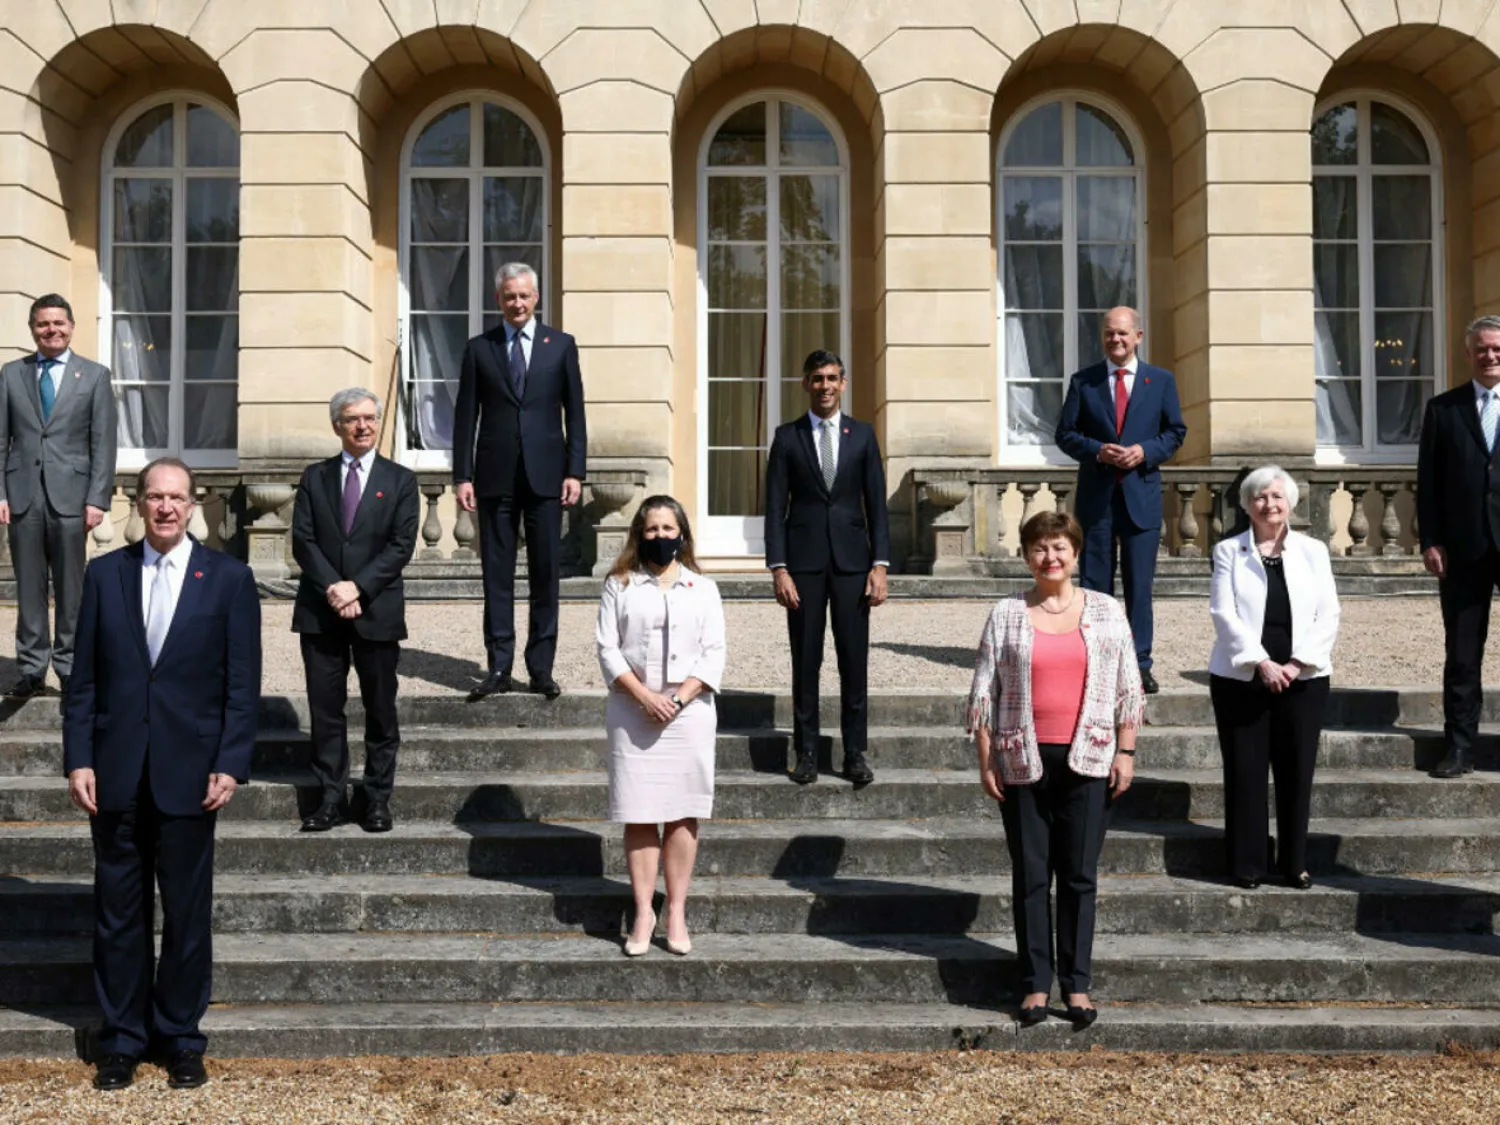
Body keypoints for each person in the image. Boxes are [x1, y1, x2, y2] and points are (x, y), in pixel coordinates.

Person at [62, 458, 261, 1091]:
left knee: (184, 913)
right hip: (116, 770)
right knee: (118, 915)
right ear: (139, 504)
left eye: (176, 497)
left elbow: (241, 685)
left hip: (191, 774)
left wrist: (231, 762)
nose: (166, 508)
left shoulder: (228, 579)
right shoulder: (104, 576)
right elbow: (83, 681)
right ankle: (121, 1038)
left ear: (193, 503)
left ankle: (179, 1037)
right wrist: (79, 757)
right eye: (154, 497)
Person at [967, 510, 1141, 1028]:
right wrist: (986, 760)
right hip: (1022, 758)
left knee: (1080, 877)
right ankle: (1035, 985)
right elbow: (983, 692)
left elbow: (1128, 687)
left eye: (1060, 547)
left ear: (1075, 553)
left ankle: (1077, 985)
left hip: (1089, 757)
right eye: (1040, 548)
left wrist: (1126, 752)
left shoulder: (1107, 611)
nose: (1051, 557)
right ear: (1027, 556)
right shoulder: (1006, 613)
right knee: (1031, 878)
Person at [596, 495, 725, 957]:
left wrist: (678, 696)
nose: (660, 537)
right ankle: (643, 910)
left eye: (669, 529)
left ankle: (676, 910)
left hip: (688, 713)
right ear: (638, 534)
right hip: (633, 711)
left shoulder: (703, 588)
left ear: (682, 534)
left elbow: (714, 652)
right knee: (638, 810)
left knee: (682, 812)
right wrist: (646, 696)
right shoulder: (619, 584)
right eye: (652, 529)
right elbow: (607, 649)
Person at [453, 262, 587, 701]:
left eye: (524, 295)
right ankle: (498, 666)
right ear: (498, 300)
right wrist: (461, 475)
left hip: (547, 476)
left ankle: (541, 668)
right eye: (509, 296)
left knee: (546, 575)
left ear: (537, 298)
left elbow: (576, 413)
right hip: (493, 478)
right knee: (497, 576)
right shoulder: (479, 348)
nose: (517, 303)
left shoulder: (561, 346)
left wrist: (575, 470)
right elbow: (465, 417)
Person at [290, 389, 420, 833]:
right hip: (320, 612)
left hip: (376, 610)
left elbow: (401, 545)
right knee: (326, 711)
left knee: (381, 709)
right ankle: (331, 798)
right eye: (352, 419)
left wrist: (357, 588)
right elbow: (303, 541)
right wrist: (333, 587)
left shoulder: (401, 480)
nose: (363, 426)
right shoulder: (314, 477)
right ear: (336, 426)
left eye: (370, 417)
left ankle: (378, 798)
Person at [1208, 466, 1340, 890]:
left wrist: (1297, 663)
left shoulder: (1314, 550)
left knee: (1296, 770)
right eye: (1261, 497)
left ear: (1291, 503)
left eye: (1277, 497)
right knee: (1246, 772)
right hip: (1241, 677)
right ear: (1247, 505)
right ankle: (1248, 864)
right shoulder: (1229, 551)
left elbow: (1329, 613)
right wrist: (1260, 662)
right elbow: (1223, 613)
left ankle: (1294, 863)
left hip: (1304, 677)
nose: (1270, 504)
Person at [764, 349, 890, 786]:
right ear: (805, 384)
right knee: (807, 662)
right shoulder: (786, 437)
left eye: (833, 378)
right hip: (803, 567)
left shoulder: (863, 436)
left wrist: (880, 564)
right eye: (817, 378)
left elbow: (876, 504)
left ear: (844, 383)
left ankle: (855, 752)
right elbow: (775, 508)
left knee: (853, 662)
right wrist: (778, 568)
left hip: (855, 565)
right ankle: (807, 752)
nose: (825, 386)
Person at [1055, 306, 1186, 695]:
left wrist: (1144, 451)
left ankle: (1139, 664)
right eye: (1110, 334)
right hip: (1096, 501)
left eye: (1123, 334)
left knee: (1139, 588)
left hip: (1140, 499)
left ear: (1138, 336)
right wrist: (1098, 450)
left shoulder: (1159, 381)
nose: (1116, 340)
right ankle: (1096, 660)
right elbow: (1064, 434)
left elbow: (1175, 432)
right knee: (1094, 588)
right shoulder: (1084, 381)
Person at [0, 294, 117, 698]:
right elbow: (1, 439)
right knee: (29, 586)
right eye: (43, 324)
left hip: (73, 496)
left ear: (71, 326)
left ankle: (70, 667)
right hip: (22, 496)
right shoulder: (11, 374)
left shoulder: (96, 376)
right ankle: (31, 669)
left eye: (58, 323)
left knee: (72, 589)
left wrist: (98, 498)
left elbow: (103, 444)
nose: (51, 329)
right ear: (32, 329)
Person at [1418, 314, 1500, 778]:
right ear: (1468, 353)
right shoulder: (1442, 409)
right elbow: (1427, 483)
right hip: (1463, 548)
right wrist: (1431, 540)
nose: (1490, 356)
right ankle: (1461, 748)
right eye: (1482, 348)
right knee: (1463, 653)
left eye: (1497, 349)